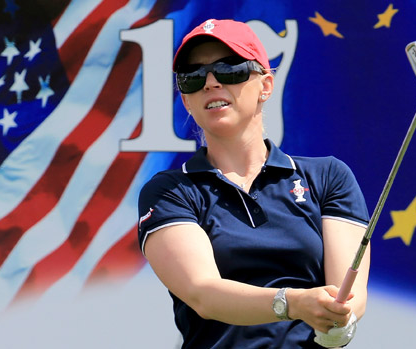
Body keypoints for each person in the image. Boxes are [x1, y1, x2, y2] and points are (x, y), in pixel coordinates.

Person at [138, 18, 370, 348]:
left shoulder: (328, 177)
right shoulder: (168, 191)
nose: (210, 83)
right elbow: (204, 294)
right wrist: (294, 303)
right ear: (187, 102)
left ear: (266, 85)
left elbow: (350, 296)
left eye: (230, 68)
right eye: (193, 77)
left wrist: (341, 316)